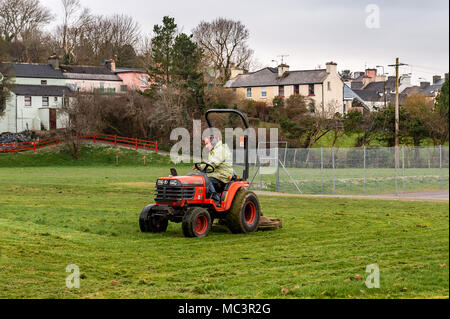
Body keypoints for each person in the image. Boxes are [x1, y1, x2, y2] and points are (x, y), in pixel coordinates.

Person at [195, 136, 233, 205]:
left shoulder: (220, 150)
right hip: (216, 173)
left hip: (222, 174)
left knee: (206, 180)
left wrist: (201, 166)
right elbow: (209, 164)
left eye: (207, 144)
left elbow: (212, 164)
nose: (206, 146)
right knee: (196, 177)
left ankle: (216, 199)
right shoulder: (213, 151)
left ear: (213, 142)